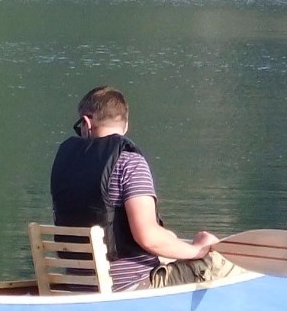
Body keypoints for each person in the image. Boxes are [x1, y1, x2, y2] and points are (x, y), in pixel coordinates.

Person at [50, 86, 236, 291]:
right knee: (224, 263)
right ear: (126, 124)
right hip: (129, 286)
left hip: (76, 287)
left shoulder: (64, 164)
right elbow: (147, 237)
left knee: (170, 250)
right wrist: (197, 250)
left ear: (86, 123)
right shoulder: (129, 163)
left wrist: (172, 240)